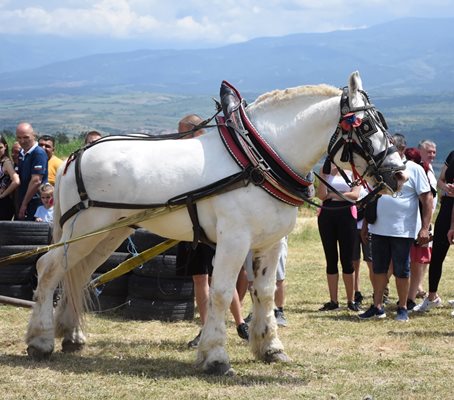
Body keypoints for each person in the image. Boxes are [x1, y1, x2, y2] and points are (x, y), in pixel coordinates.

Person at [175, 114, 248, 348]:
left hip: (203, 225)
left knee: (211, 278)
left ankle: (225, 326)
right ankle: (227, 325)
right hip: (203, 225)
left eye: (181, 131)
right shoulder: (206, 151)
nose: (178, 136)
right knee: (210, 277)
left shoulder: (196, 154)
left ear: (194, 131)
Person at [358, 133, 433, 322]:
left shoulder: (414, 169)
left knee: (402, 270)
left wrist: (424, 228)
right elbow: (372, 199)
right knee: (379, 269)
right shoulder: (380, 170)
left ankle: (402, 307)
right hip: (379, 228)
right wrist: (366, 225)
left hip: (403, 230)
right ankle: (377, 307)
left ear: (399, 150)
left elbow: (427, 199)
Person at [316, 159, 362, 312]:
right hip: (327, 215)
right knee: (331, 259)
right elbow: (321, 195)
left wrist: (332, 195)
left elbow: (355, 195)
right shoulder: (326, 169)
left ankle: (350, 300)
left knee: (347, 260)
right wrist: (340, 194)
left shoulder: (355, 170)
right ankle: (333, 301)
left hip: (347, 215)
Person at [413, 149, 454, 313]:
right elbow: (440, 180)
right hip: (447, 207)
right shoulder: (452, 154)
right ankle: (432, 297)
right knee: (437, 254)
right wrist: (446, 187)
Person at [404, 147, 437, 310]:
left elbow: (431, 201)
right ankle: (410, 295)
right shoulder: (424, 172)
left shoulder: (422, 174)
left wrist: (425, 227)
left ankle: (411, 296)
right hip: (409, 225)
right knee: (414, 262)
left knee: (417, 262)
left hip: (419, 226)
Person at [241, 237, 289, 327]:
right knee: (252, 276)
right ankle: (256, 312)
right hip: (252, 237)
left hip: (275, 235)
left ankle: (278, 312)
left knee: (278, 275)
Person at [16, 122, 48, 221]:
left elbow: (36, 181)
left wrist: (24, 204)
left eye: (26, 137)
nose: (22, 141)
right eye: (19, 138)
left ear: (34, 136)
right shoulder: (22, 152)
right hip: (24, 200)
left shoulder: (38, 153)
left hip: (35, 202)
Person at [352, 187, 373, 305]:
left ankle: (379, 292)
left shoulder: (371, 184)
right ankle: (357, 292)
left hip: (370, 228)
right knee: (354, 262)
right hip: (352, 227)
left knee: (372, 263)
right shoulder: (351, 183)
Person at [0, 135, 20, 220]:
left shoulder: (6, 162)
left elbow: (16, 181)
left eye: (0, 147)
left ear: (5, 147)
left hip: (3, 204)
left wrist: (2, 195)